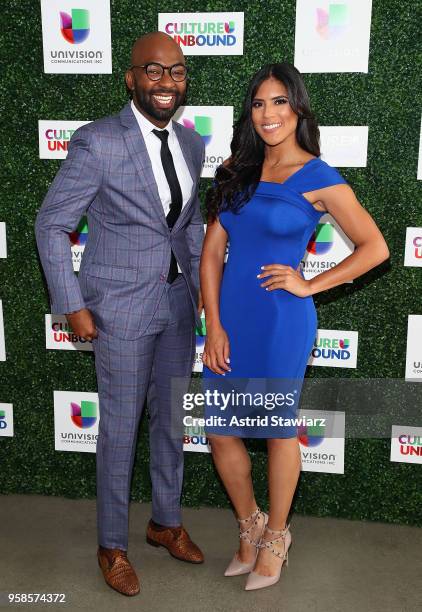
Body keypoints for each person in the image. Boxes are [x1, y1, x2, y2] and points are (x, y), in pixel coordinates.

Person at [199, 62, 389, 591]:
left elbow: (376, 248)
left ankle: (277, 537)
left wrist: (310, 284)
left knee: (280, 431)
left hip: (281, 321)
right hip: (230, 319)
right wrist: (213, 324)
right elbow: (212, 254)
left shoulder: (318, 175)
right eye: (258, 104)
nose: (268, 114)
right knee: (220, 429)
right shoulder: (237, 168)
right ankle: (249, 526)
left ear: (298, 108)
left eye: (279, 102)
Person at [35, 31, 205, 597]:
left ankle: (164, 522)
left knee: (171, 425)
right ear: (131, 79)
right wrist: (72, 303)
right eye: (153, 71)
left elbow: (190, 225)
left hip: (179, 305)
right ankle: (112, 545)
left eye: (176, 72)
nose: (166, 82)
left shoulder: (191, 142)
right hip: (119, 312)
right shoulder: (97, 142)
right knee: (120, 430)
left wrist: (204, 296)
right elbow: (52, 224)